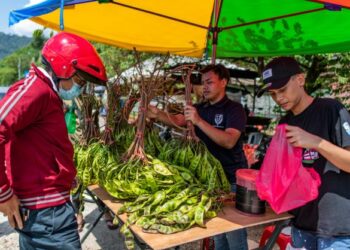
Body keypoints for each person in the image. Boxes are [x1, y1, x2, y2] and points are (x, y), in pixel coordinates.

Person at [0, 32, 107, 249]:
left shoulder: (47, 93)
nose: (80, 87)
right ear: (63, 68)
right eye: (79, 80)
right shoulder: (35, 90)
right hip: (48, 216)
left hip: (48, 212)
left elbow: (40, 147)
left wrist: (66, 176)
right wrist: (3, 194)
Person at [148, 64, 248, 250]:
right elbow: (179, 121)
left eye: (210, 82)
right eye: (203, 83)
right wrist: (158, 114)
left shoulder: (234, 109)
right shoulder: (200, 107)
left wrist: (199, 121)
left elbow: (229, 141)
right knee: (217, 233)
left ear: (224, 82)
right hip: (210, 181)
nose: (205, 87)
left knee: (234, 235)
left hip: (232, 180)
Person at [258, 56, 350, 249]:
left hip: (337, 231)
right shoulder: (285, 122)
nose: (278, 98)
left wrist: (315, 142)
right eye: (273, 94)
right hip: (301, 225)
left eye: (282, 90)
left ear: (300, 79)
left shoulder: (331, 109)